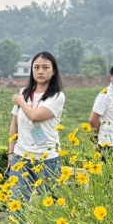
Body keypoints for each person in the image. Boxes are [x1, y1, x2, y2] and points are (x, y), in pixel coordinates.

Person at [7, 51, 66, 200]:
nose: (40, 71)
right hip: (21, 156)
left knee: (49, 208)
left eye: (45, 67)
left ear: (53, 71)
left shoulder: (57, 96)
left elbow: (36, 116)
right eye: (36, 67)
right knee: (17, 204)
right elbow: (14, 125)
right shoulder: (23, 93)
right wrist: (10, 153)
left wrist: (21, 102)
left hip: (47, 159)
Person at [89, 63, 113, 152]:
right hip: (108, 144)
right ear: (111, 77)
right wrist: (100, 135)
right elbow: (93, 120)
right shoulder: (105, 94)